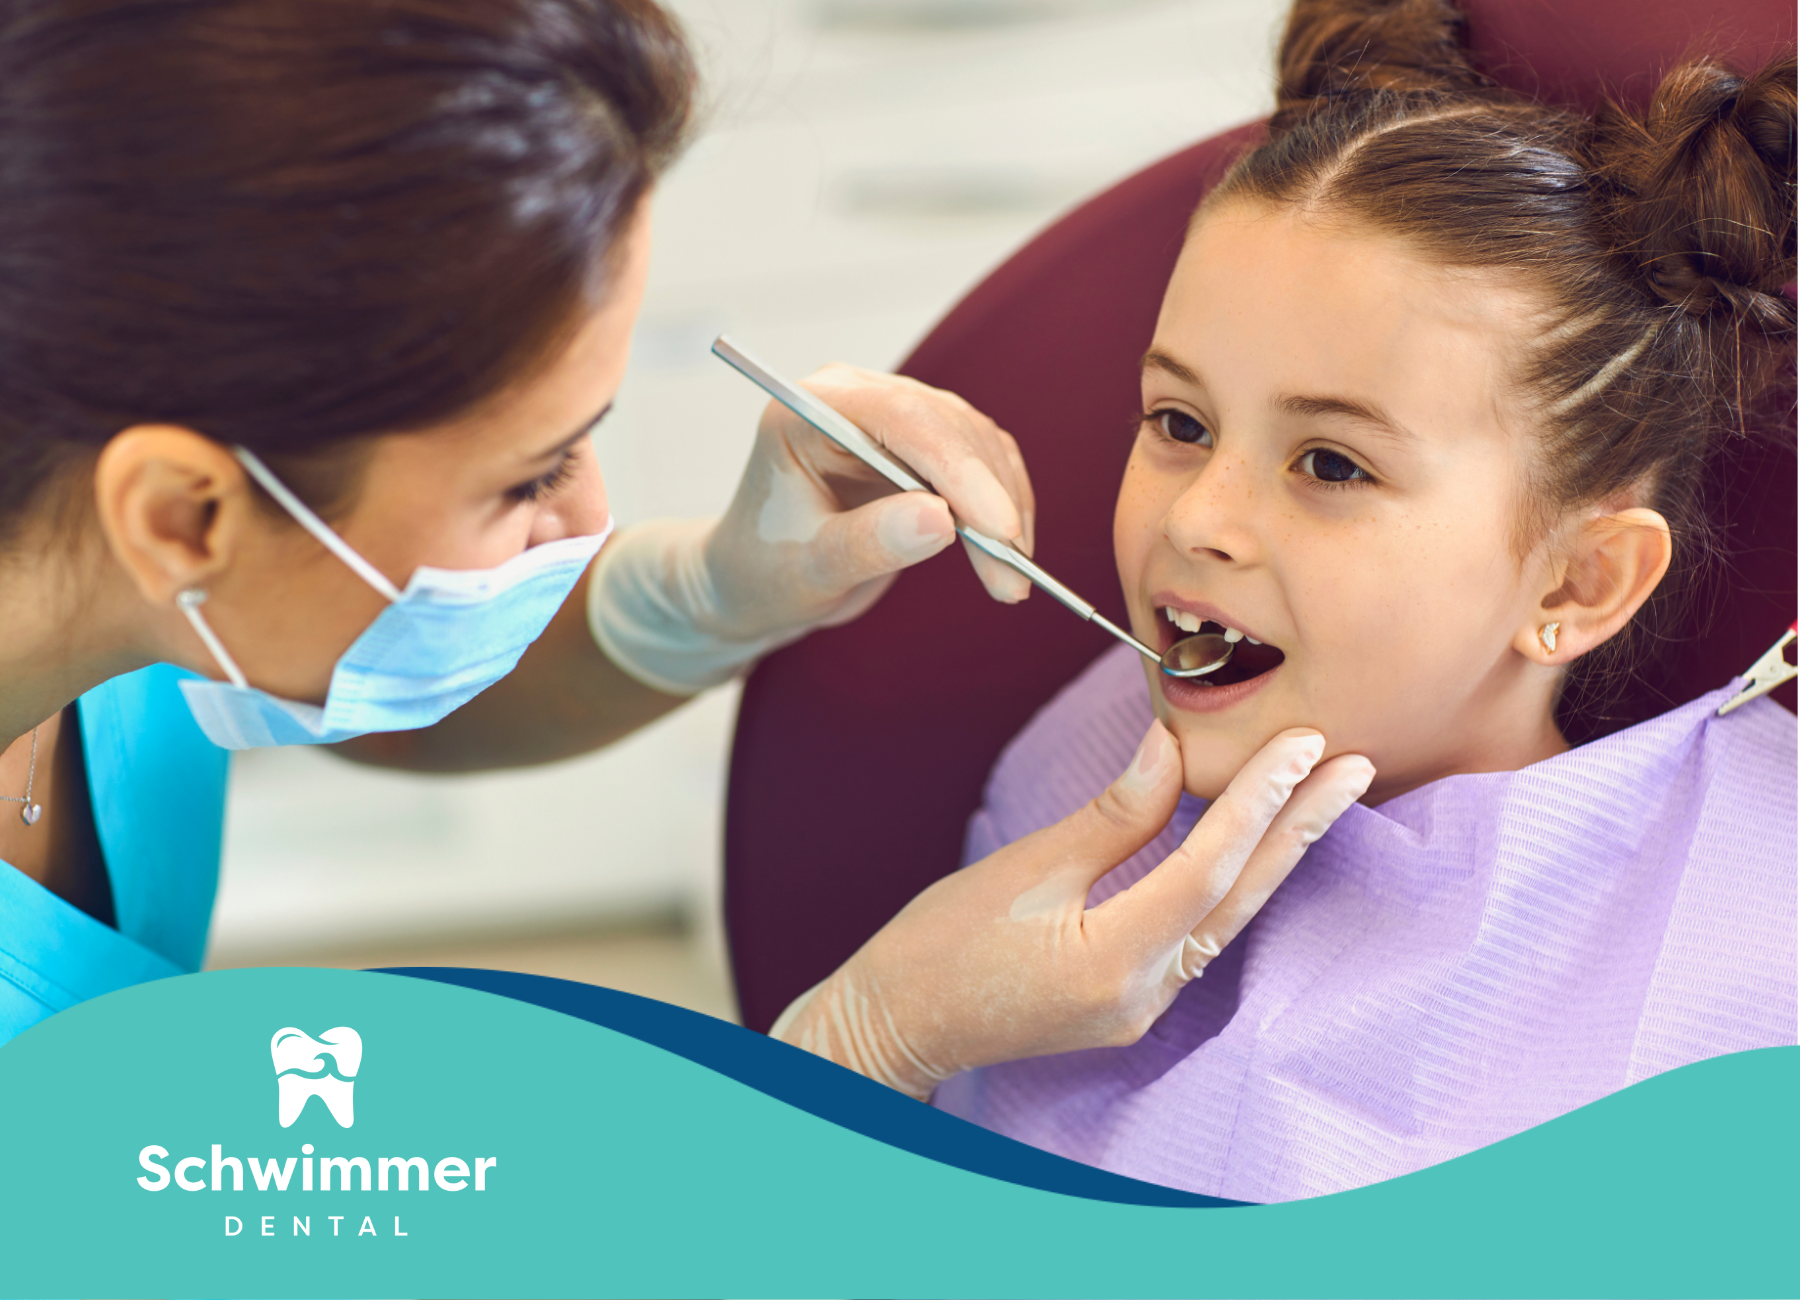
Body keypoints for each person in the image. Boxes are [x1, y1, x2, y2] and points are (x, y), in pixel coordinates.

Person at [0, 0, 1369, 1060]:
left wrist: (705, 596)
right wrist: (862, 1051)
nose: (593, 516)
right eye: (528, 475)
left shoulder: (83, 511)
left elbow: (343, 678)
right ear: (186, 515)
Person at [807, 0, 1795, 1200]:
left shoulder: (1745, 936)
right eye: (1178, 423)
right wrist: (873, 1038)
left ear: (1579, 581)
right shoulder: (1085, 758)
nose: (1193, 520)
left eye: (1331, 464)